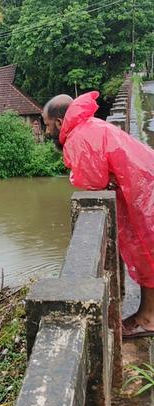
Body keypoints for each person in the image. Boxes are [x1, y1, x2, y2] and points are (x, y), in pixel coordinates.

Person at [44, 91, 154, 338]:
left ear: (60, 122)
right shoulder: (88, 126)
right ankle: (147, 314)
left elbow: (92, 181)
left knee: (147, 253)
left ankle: (148, 319)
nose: (46, 132)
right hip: (143, 183)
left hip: (143, 191)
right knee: (148, 252)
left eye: (47, 125)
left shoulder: (78, 138)